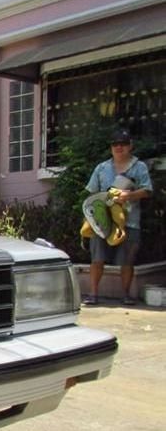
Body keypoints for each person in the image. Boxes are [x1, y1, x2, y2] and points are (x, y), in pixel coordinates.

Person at [83, 128, 152, 306]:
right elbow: (92, 193)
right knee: (97, 258)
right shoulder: (102, 168)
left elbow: (147, 190)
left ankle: (127, 295)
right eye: (115, 144)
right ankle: (93, 294)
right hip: (102, 221)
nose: (118, 147)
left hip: (130, 221)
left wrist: (128, 195)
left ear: (130, 146)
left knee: (127, 260)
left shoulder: (139, 167)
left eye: (122, 144)